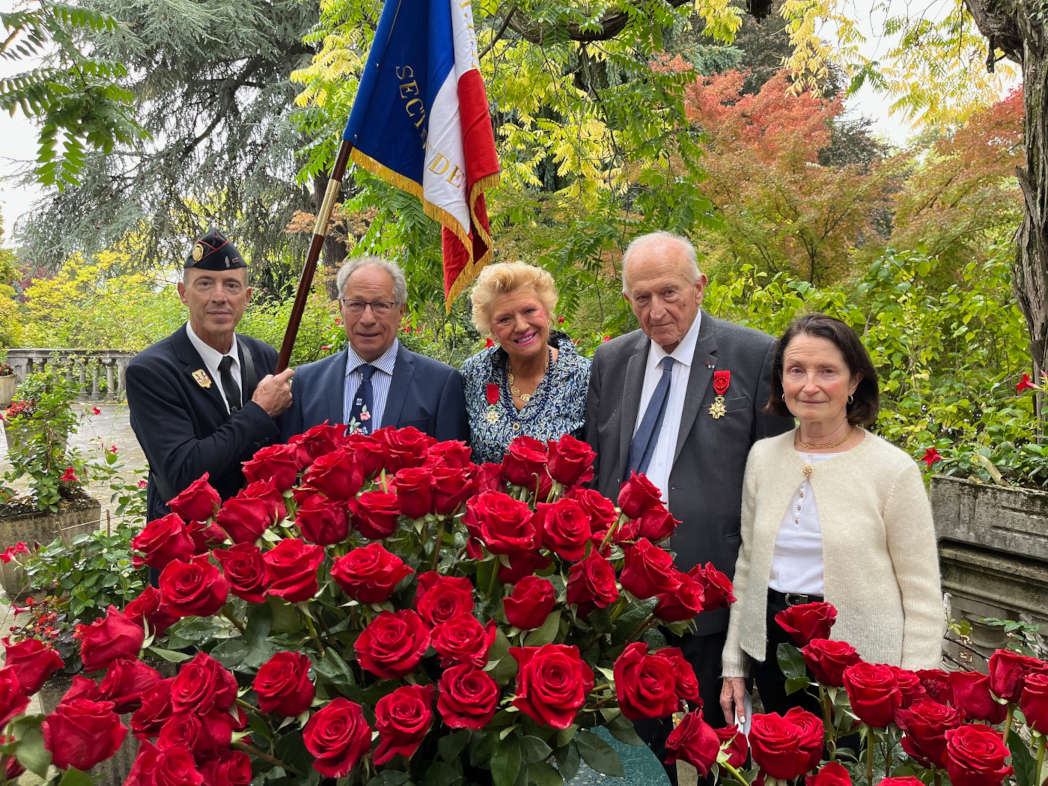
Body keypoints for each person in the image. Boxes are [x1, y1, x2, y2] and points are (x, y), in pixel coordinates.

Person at [585, 231, 794, 780]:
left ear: (700, 288)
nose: (656, 311)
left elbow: (775, 484)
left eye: (670, 293)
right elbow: (602, 466)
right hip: (625, 594)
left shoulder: (755, 355)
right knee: (642, 749)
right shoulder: (610, 359)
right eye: (641, 297)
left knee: (710, 755)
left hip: (710, 591)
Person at [720, 313, 944, 723]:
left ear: (855, 381)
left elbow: (922, 593)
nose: (810, 385)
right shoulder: (763, 458)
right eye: (796, 370)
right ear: (780, 380)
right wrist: (734, 662)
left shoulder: (892, 470)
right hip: (773, 649)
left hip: (864, 664)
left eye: (827, 371)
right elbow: (748, 566)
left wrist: (915, 685)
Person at [126, 229, 294, 526]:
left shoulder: (265, 357)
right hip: (190, 547)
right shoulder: (152, 371)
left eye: (231, 285)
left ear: (247, 297)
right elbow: (183, 471)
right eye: (205, 284)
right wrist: (258, 412)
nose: (220, 297)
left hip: (261, 540)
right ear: (182, 293)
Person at [282, 256, 468, 442]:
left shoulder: (440, 384)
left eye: (380, 305)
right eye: (356, 304)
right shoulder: (306, 382)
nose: (368, 319)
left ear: (401, 310)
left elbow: (452, 468)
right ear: (341, 307)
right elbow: (292, 464)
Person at [461, 262, 590, 464]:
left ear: (547, 312)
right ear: (492, 329)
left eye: (529, 310)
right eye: (505, 319)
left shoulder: (585, 377)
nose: (521, 326)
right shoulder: (474, 373)